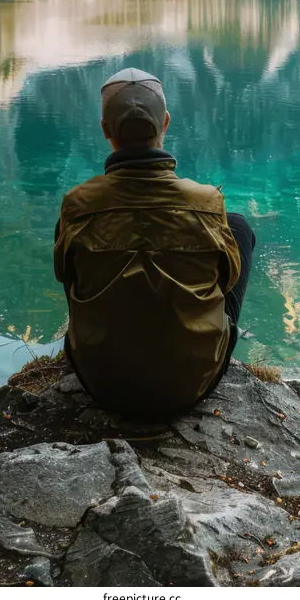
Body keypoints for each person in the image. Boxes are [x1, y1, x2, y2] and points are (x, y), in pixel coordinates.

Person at [54, 67, 255, 418]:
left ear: (105, 130)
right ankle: (199, 341)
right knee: (237, 227)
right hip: (191, 384)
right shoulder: (206, 203)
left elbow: (67, 277)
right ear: (165, 123)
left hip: (102, 383)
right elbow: (227, 280)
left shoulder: (77, 206)